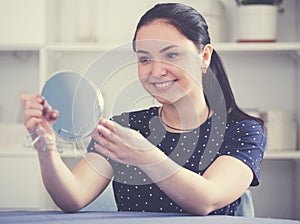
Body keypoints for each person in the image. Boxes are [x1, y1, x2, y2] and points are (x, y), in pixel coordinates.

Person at [20, 3, 266, 216]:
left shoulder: (243, 130)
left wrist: (143, 154)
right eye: (144, 59)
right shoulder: (124, 128)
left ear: (204, 57)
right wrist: (46, 147)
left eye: (171, 55)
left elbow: (207, 200)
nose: (156, 71)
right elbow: (72, 197)